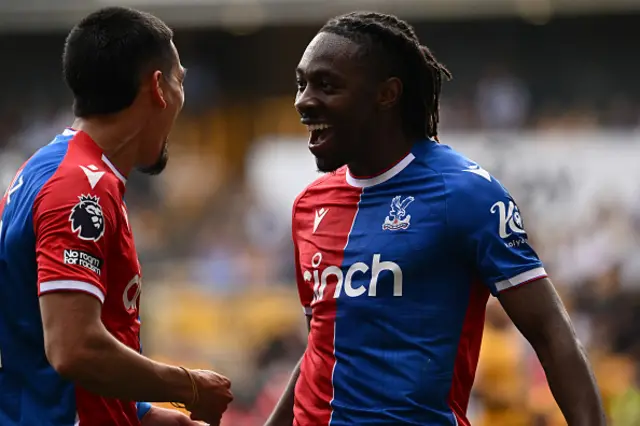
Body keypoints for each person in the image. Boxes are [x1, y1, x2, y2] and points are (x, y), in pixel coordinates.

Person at [266, 11, 605, 426]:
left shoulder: (463, 195)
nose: (303, 101)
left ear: (387, 94)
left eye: (327, 85)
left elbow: (552, 336)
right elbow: (323, 346)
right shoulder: (308, 206)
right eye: (301, 83)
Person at [0, 7, 232, 426]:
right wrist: (188, 385)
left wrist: (151, 417)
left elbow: (37, 346)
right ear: (159, 88)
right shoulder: (78, 187)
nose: (183, 98)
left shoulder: (53, 169)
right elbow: (75, 348)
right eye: (181, 79)